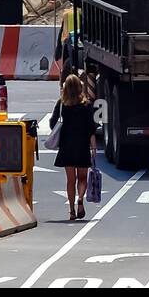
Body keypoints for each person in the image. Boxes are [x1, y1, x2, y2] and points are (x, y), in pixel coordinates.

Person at [49, 74, 98, 221]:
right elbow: (91, 128)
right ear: (79, 87)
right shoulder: (86, 104)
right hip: (82, 144)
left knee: (70, 180)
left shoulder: (62, 104)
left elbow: (52, 123)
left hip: (66, 145)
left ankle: (71, 210)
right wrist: (93, 147)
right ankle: (80, 199)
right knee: (82, 178)